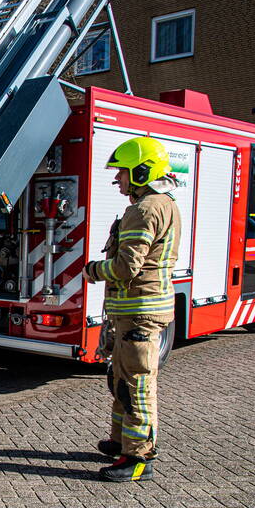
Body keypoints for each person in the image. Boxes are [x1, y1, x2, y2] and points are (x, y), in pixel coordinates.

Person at [84, 136, 182, 483]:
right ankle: (120, 440)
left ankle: (138, 458)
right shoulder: (163, 204)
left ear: (142, 171)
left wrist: (93, 270)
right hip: (135, 311)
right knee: (121, 379)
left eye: (122, 174)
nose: (118, 180)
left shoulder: (145, 209)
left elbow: (126, 268)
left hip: (139, 312)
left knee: (136, 386)